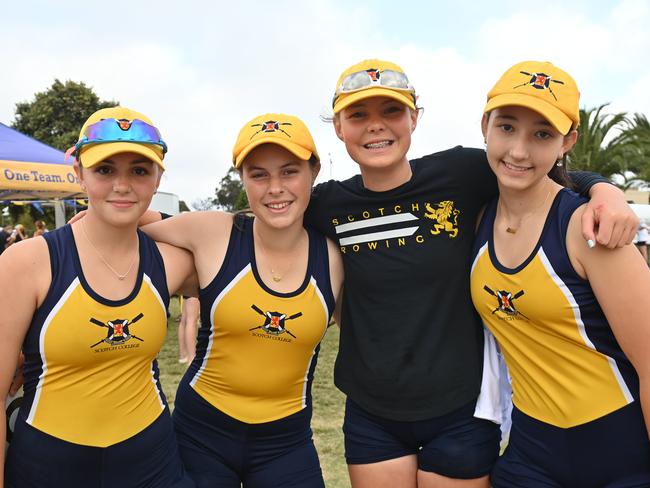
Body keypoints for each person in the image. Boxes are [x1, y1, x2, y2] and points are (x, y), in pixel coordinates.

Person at [302, 59, 639, 488]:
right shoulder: (326, 205)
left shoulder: (461, 174)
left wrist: (604, 190)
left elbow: (540, 169)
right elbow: (269, 212)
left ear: (414, 118)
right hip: (373, 410)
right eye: (358, 115)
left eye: (390, 111)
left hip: (461, 409)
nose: (375, 126)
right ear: (338, 127)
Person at [134, 113, 344, 487]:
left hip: (287, 442)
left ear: (314, 172)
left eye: (289, 171)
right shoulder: (214, 231)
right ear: (243, 179)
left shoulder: (334, 257)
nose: (275, 187)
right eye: (258, 174)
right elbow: (132, 219)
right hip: (201, 434)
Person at [471, 60, 650, 486]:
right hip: (531, 452)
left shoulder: (590, 228)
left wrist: (603, 189)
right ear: (485, 126)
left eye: (542, 135)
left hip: (620, 455)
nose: (518, 151)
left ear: (567, 140)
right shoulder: (475, 214)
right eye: (507, 127)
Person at [0, 106, 198, 488]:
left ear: (158, 178)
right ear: (79, 174)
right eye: (105, 170)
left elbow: (232, 236)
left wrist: (149, 217)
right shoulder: (27, 262)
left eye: (139, 171)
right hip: (47, 466)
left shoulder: (171, 262)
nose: (122, 185)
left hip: (151, 462)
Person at [178, 296, 199, 364]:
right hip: (194, 289)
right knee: (191, 320)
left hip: (188, 289)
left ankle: (184, 355)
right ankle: (191, 357)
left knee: (185, 319)